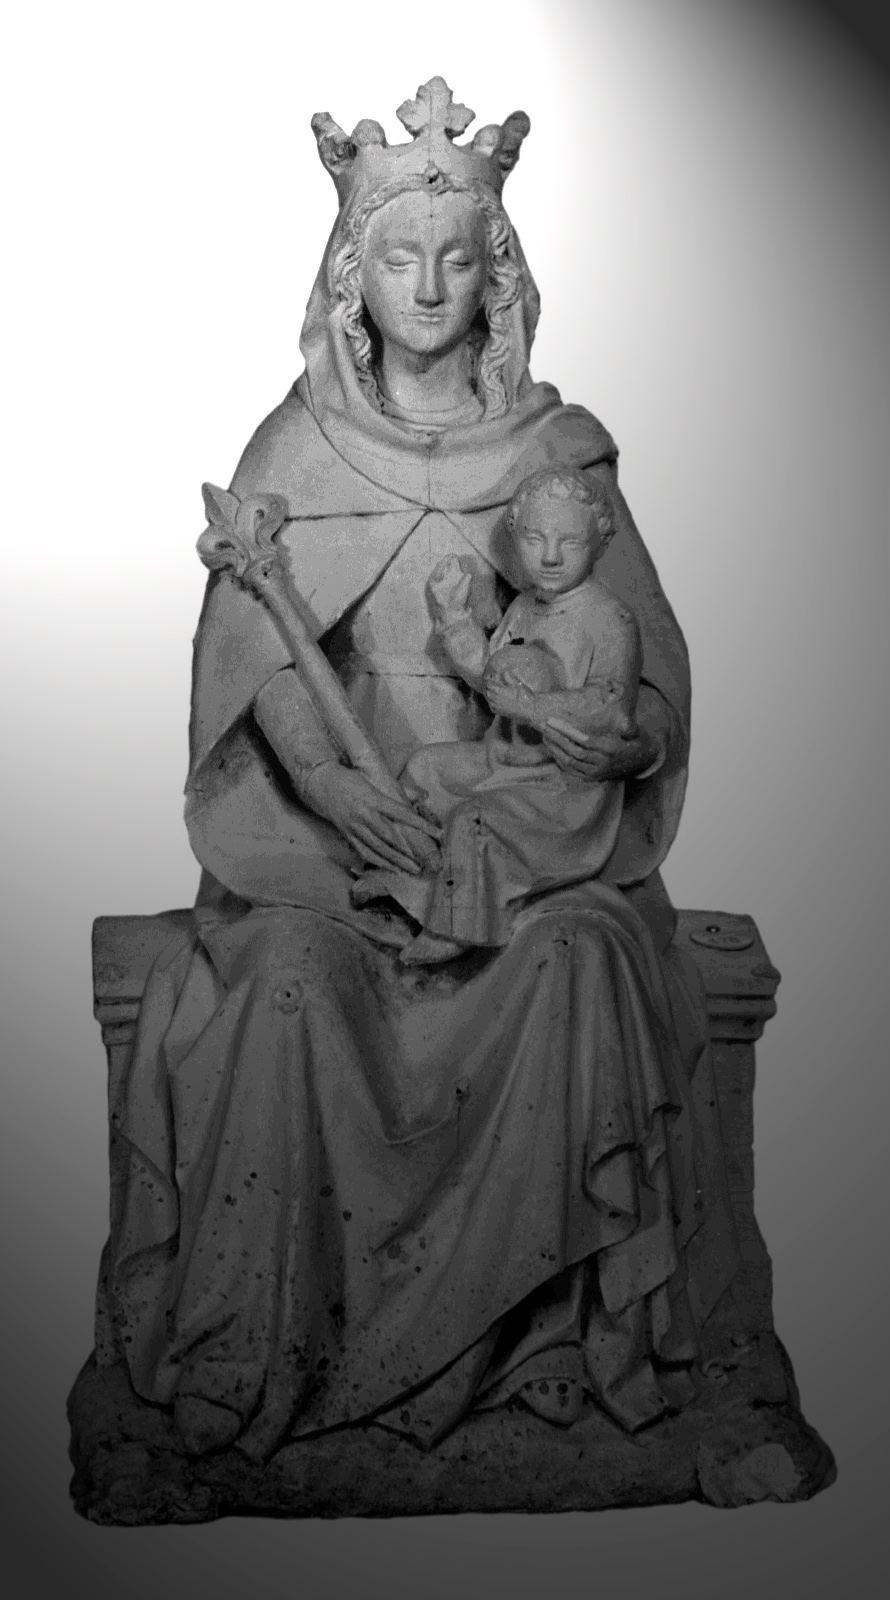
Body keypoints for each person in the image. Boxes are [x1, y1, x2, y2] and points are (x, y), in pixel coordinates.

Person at [98, 77, 739, 1462]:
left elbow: (643, 680)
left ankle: (545, 1343)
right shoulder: (295, 451)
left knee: (580, 965)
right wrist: (333, 788)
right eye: (400, 258)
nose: (432, 287)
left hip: (526, 851)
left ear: (499, 274)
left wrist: (598, 744)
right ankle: (257, 1348)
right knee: (285, 989)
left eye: (458, 257)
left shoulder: (559, 461)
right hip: (339, 854)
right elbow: (253, 667)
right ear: (352, 277)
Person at [351, 466, 645, 964]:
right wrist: (453, 618)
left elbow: (612, 707)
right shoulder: (526, 606)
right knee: (424, 770)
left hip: (562, 786)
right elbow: (491, 677)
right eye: (534, 538)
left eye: (570, 542)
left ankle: (457, 925)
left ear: (600, 544)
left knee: (475, 821)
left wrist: (532, 708)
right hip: (503, 757)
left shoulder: (610, 619)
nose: (550, 556)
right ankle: (410, 875)